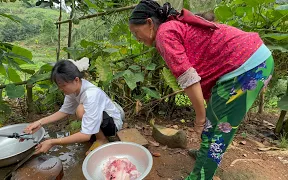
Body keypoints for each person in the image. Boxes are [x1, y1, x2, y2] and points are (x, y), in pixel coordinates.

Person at [128, 0, 274, 179]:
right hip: (248, 64)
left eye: (136, 32)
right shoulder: (173, 27)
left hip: (248, 68)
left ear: (150, 23)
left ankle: (200, 175)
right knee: (212, 126)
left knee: (217, 132)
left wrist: (200, 115)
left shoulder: (164, 34)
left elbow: (188, 78)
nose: (137, 38)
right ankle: (205, 157)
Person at [24, 57, 125, 155]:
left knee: (80, 110)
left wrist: (52, 142)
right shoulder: (73, 90)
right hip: (103, 118)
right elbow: (64, 111)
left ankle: (102, 139)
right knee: (81, 110)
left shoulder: (91, 95)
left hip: (113, 124)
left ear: (76, 80)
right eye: (59, 86)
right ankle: (99, 135)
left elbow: (85, 135)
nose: (61, 89)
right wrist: (39, 122)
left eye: (63, 85)